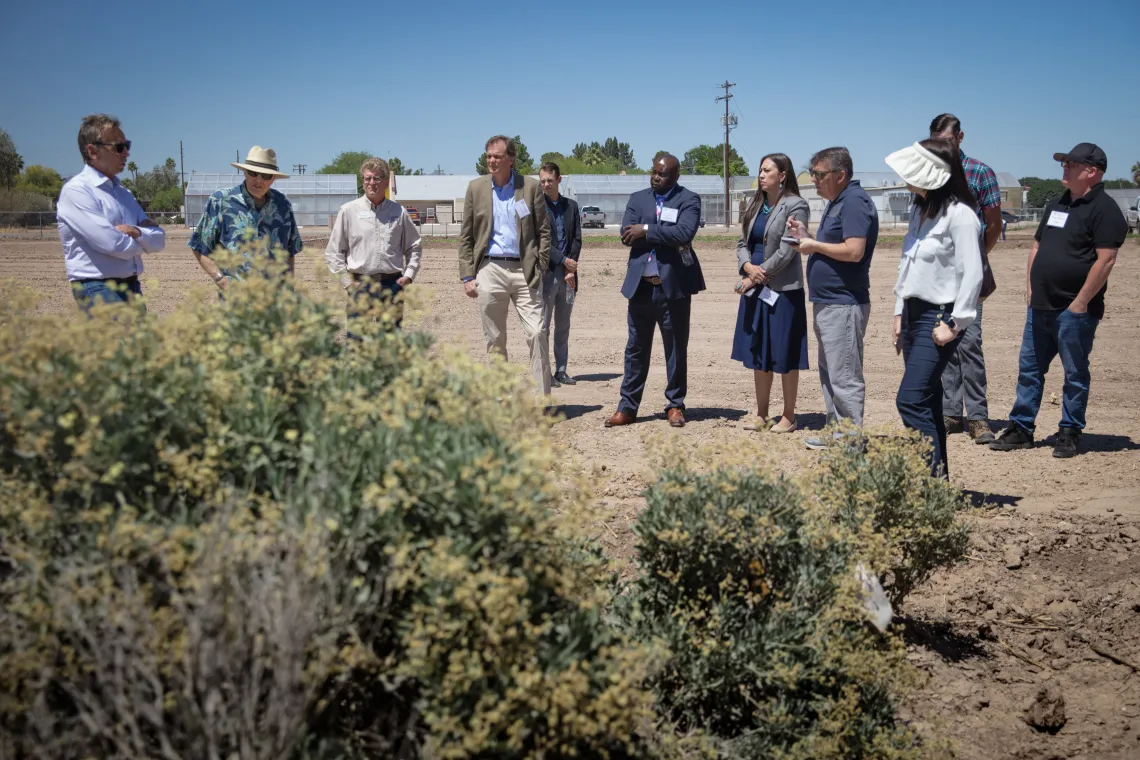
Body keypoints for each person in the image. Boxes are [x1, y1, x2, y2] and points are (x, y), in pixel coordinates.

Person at [990, 143, 1128, 458]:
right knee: (1029, 369)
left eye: (1071, 163)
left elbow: (1105, 260)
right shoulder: (1056, 205)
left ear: (1091, 171)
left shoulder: (1104, 210)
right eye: (1063, 162)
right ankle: (1021, 428)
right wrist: (1029, 287)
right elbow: (1037, 247)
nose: (1064, 167)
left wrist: (1080, 303)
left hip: (1075, 312)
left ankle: (1069, 431)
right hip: (1040, 307)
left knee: (1074, 373)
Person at [886, 140, 983, 478]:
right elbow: (908, 265)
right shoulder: (920, 209)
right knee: (927, 400)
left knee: (909, 399)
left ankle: (927, 482)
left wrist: (956, 325)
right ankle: (937, 484)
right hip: (914, 314)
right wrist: (900, 311)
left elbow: (973, 274)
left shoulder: (961, 216)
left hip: (939, 318)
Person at [785, 147, 879, 449]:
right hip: (829, 301)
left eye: (820, 174)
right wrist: (807, 234)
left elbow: (854, 251)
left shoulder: (853, 202)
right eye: (812, 173)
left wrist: (813, 246)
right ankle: (837, 435)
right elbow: (835, 244)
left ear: (841, 175)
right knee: (831, 375)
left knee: (845, 377)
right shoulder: (838, 201)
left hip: (844, 302)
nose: (814, 179)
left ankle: (850, 444)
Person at [604, 154, 705, 428]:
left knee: (675, 349)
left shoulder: (689, 199)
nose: (655, 177)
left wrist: (646, 230)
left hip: (673, 289)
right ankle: (627, 407)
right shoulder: (638, 198)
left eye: (661, 174)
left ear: (675, 177)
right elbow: (626, 234)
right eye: (654, 172)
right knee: (635, 349)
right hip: (641, 289)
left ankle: (675, 405)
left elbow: (684, 233)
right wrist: (658, 234)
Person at [458, 136, 552, 396]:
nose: (491, 160)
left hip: (526, 271)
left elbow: (544, 230)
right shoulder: (476, 188)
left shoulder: (530, 187)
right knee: (495, 339)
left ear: (511, 159)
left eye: (497, 156)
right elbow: (466, 236)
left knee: (536, 333)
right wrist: (467, 275)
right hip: (490, 268)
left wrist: (541, 262)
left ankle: (541, 401)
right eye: (488, 155)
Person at [929, 114, 1002, 445]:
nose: (941, 147)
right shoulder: (932, 172)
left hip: (969, 272)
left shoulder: (980, 173)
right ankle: (950, 412)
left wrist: (978, 257)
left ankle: (978, 417)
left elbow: (994, 222)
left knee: (969, 342)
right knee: (942, 341)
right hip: (938, 272)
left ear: (960, 137)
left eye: (946, 141)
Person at [731, 153, 810, 433]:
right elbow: (742, 241)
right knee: (758, 351)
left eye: (767, 170)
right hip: (755, 285)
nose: (761, 175)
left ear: (783, 174)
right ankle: (762, 413)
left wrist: (757, 276)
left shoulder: (796, 205)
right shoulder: (756, 204)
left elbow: (789, 249)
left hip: (783, 290)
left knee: (785, 353)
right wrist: (746, 265)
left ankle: (789, 415)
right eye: (760, 170)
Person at [57, 113, 165, 312]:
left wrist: (135, 232)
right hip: (97, 288)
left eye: (127, 145)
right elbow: (112, 243)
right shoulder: (77, 191)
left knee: (138, 344)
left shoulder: (124, 194)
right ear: (92, 151)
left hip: (131, 287)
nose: (126, 153)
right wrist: (144, 241)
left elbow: (159, 240)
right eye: (118, 147)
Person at [325, 157, 421, 329]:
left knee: (391, 343)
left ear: (385, 182)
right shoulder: (348, 211)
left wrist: (408, 275)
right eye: (367, 178)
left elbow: (414, 246)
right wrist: (347, 283)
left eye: (376, 178)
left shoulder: (399, 212)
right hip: (359, 285)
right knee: (358, 342)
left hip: (391, 285)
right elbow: (334, 252)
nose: (371, 183)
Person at [189, 146, 301, 290]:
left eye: (265, 175)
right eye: (253, 173)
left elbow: (290, 253)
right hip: (236, 302)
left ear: (273, 179)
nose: (258, 180)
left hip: (275, 304)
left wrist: (289, 288)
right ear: (245, 173)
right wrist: (221, 280)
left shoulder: (283, 204)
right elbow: (199, 246)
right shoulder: (221, 201)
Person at [538, 161, 582, 387]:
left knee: (563, 325)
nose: (546, 184)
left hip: (569, 277)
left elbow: (576, 239)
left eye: (550, 180)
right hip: (546, 275)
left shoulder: (571, 206)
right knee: (543, 326)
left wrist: (570, 269)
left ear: (559, 180)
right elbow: (540, 242)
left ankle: (561, 370)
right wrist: (563, 261)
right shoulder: (537, 207)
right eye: (543, 180)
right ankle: (544, 373)